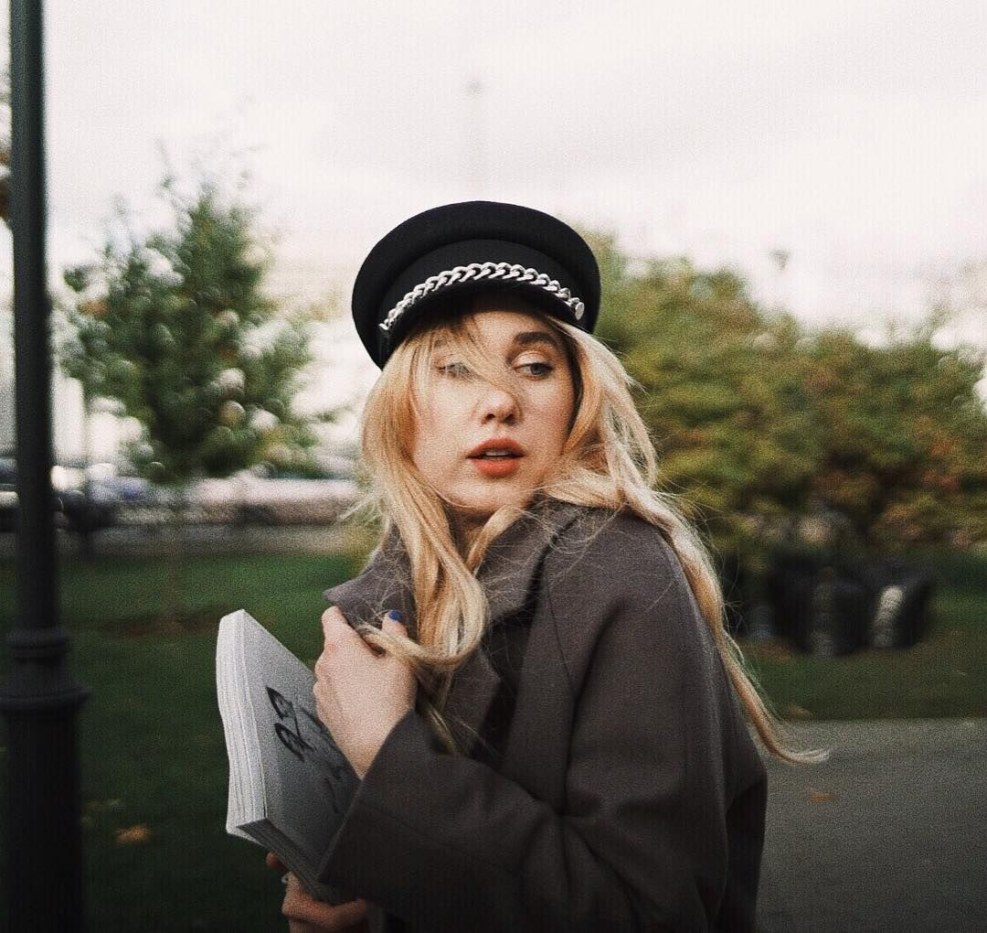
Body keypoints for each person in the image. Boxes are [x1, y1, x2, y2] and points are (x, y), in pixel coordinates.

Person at [271, 201, 800, 932]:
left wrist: (389, 757)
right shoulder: (399, 589)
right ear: (401, 409)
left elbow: (647, 913)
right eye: (454, 368)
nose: (499, 401)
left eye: (534, 366)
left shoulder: (619, 572)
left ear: (576, 398)